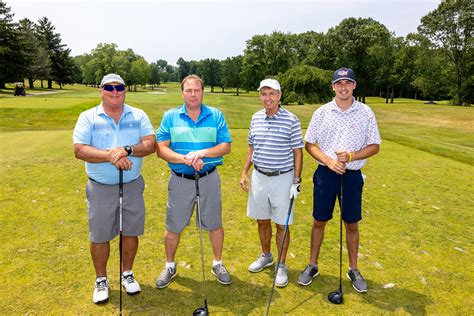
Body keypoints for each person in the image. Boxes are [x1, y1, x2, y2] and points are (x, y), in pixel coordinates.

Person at [73, 73, 156, 304]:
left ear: (124, 90)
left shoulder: (138, 115)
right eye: (109, 88)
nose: (114, 92)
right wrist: (112, 155)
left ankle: (126, 273)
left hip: (131, 185)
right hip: (100, 188)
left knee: (131, 231)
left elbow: (150, 144)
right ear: (101, 91)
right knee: (100, 235)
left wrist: (126, 150)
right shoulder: (88, 117)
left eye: (118, 87)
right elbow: (79, 150)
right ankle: (101, 279)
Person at [297, 68, 381, 293]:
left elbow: (375, 146)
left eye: (348, 83)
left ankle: (353, 269)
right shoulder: (322, 112)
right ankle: (312, 265)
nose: (343, 87)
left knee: (351, 224)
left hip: (352, 176)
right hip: (325, 174)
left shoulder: (365, 112)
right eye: (339, 83)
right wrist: (329, 160)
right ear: (333, 86)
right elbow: (310, 144)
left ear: (354, 85)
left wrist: (352, 156)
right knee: (319, 221)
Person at [155, 74, 232, 288]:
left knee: (214, 223)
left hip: (209, 178)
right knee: (173, 225)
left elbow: (225, 146)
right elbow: (161, 148)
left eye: (197, 90)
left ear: (202, 92)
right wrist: (186, 159)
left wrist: (202, 153)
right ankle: (170, 265)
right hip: (180, 179)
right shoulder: (170, 116)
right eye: (188, 90)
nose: (193, 94)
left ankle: (217, 263)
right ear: (182, 93)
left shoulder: (215, 115)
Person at [240, 78, 303, 288]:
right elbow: (251, 148)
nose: (267, 98)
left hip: (283, 178)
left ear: (279, 95)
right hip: (259, 176)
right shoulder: (255, 118)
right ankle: (266, 255)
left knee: (281, 224)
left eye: (272, 94)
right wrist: (244, 173)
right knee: (262, 220)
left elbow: (297, 152)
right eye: (264, 94)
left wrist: (296, 181)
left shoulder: (291, 119)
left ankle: (282, 265)